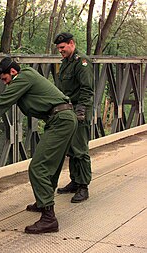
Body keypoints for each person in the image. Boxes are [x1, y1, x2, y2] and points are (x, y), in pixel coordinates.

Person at [0, 57, 78, 234]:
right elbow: (0, 100)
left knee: (38, 168)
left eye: (5, 79)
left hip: (61, 120)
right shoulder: (24, 79)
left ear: (13, 72)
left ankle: (49, 218)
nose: (4, 83)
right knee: (50, 166)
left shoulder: (24, 77)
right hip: (62, 119)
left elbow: (3, 103)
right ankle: (43, 202)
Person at [53, 32, 94, 203]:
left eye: (62, 48)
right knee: (71, 148)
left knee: (80, 149)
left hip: (79, 109)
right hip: (68, 109)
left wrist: (80, 112)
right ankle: (75, 181)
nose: (60, 51)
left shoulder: (81, 62)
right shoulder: (65, 63)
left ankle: (83, 186)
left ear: (71, 43)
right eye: (59, 49)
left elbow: (87, 89)